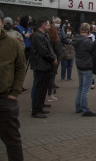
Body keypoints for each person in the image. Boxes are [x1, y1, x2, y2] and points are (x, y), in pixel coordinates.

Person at [0, 10, 26, 161]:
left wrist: (14, 93)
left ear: (2, 23)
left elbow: (20, 67)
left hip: (5, 99)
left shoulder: (12, 43)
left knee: (12, 139)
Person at [30, 17, 57, 118]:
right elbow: (43, 51)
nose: (49, 26)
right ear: (43, 25)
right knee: (40, 88)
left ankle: (40, 107)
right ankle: (36, 110)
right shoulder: (37, 36)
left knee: (43, 88)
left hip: (45, 65)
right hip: (41, 65)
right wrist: (52, 58)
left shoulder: (43, 35)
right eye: (48, 24)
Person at [72, 23, 96, 117]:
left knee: (81, 87)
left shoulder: (76, 39)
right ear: (88, 30)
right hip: (87, 65)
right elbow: (94, 51)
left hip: (79, 64)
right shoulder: (87, 41)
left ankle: (78, 106)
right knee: (85, 89)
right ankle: (85, 109)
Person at [47, 24, 60, 102]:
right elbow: (58, 52)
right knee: (51, 77)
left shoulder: (46, 39)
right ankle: (49, 94)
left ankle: (48, 93)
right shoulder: (55, 41)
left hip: (47, 61)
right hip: (53, 61)